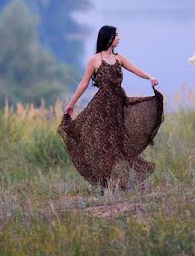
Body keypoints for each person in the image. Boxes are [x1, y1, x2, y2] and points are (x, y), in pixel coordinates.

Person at [58, 25, 164, 189]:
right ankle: (109, 183)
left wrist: (149, 77)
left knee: (121, 143)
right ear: (108, 38)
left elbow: (135, 70)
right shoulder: (94, 60)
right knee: (106, 144)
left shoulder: (119, 58)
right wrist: (71, 104)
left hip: (118, 106)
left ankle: (126, 182)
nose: (119, 38)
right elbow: (84, 83)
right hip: (101, 107)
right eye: (116, 35)